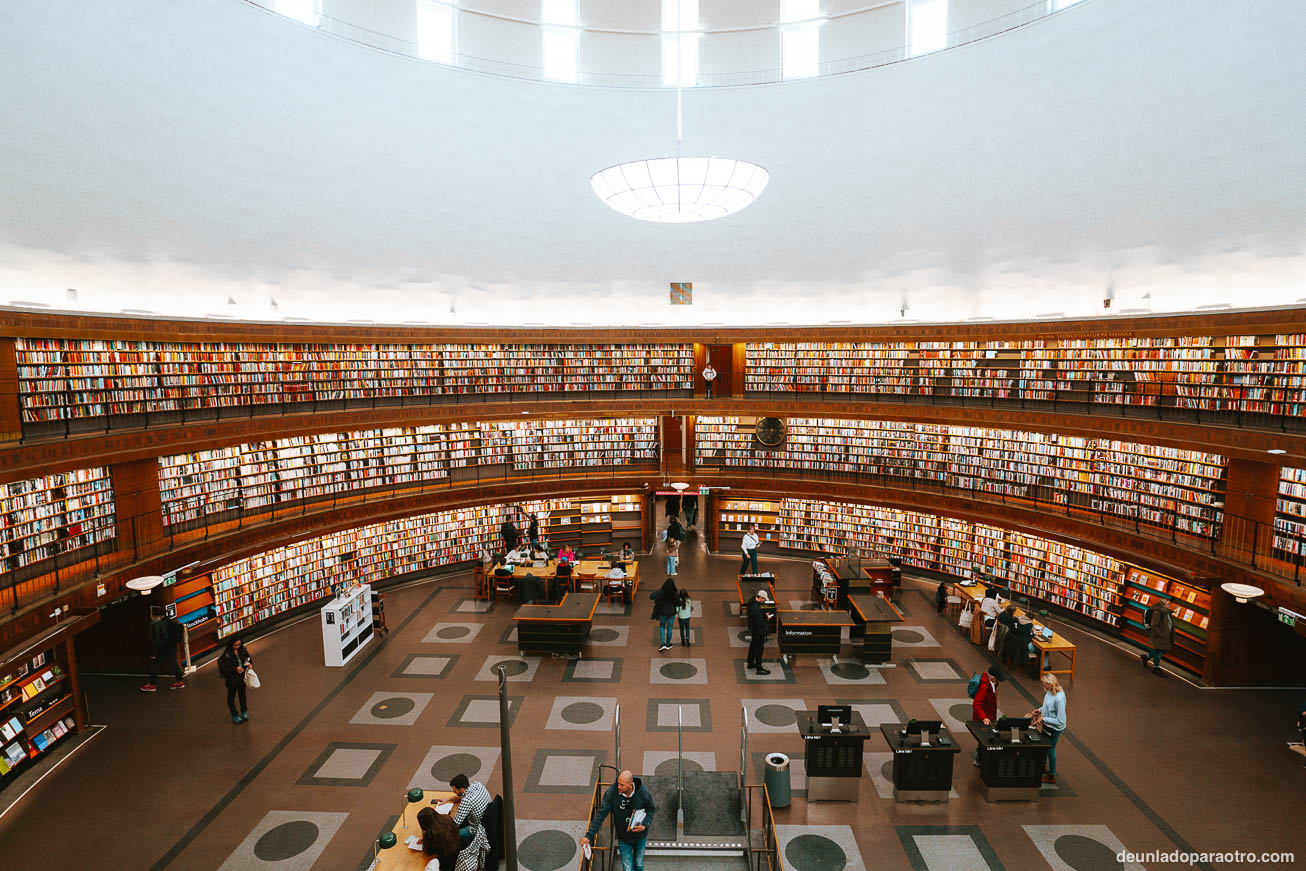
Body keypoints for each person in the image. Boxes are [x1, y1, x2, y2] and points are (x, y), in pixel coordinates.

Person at [579, 769, 656, 871]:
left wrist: (645, 825)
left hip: (640, 837)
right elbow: (600, 815)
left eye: (622, 785)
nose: (618, 787)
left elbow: (651, 809)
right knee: (627, 868)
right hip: (623, 838)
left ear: (630, 784)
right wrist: (588, 836)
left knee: (639, 864)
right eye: (618, 783)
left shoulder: (642, 792)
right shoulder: (612, 793)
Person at [1029, 673, 1067, 783]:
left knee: (1050, 749)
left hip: (1054, 728)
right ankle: (1042, 767)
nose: (1043, 687)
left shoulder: (1059, 699)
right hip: (1047, 724)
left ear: (1051, 684)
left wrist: (1043, 719)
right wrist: (1039, 710)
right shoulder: (1049, 692)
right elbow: (1047, 706)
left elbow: (1061, 720)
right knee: (1044, 746)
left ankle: (1052, 775)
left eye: (1045, 685)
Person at [140, 606, 185, 692]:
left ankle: (152, 685)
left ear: (153, 615)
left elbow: (156, 641)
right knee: (174, 664)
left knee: (155, 665)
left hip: (162, 648)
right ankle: (180, 682)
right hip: (172, 645)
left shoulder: (155, 625)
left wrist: (154, 653)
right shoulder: (168, 620)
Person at [450, 773, 491, 849]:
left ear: (461, 789)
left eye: (454, 790)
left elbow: (455, 825)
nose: (453, 792)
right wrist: (448, 799)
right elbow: (463, 795)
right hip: (486, 819)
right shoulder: (477, 784)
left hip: (475, 829)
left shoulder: (467, 801)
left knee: (450, 835)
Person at [971, 666, 1002, 765]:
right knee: (984, 737)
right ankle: (979, 758)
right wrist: (984, 717)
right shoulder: (984, 687)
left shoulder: (994, 682)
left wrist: (995, 700)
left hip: (990, 714)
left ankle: (982, 756)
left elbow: (993, 692)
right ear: (992, 678)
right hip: (984, 717)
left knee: (987, 736)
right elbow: (976, 704)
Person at [217, 637, 252, 724]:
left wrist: (249, 665)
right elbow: (223, 668)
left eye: (239, 644)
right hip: (232, 679)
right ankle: (235, 715)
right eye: (236, 645)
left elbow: (248, 659)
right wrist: (235, 669)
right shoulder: (226, 655)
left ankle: (244, 712)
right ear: (231, 644)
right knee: (231, 697)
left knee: (242, 695)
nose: (237, 646)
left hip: (242, 678)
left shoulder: (243, 650)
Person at [1141, 598, 1174, 675]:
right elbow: (1154, 625)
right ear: (1163, 605)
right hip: (1159, 636)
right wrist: (1161, 634)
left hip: (1165, 635)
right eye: (1168, 604)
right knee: (1159, 651)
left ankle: (1146, 657)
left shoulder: (1167, 612)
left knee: (1160, 650)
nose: (1170, 605)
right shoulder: (1158, 612)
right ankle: (1156, 668)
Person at [746, 588, 771, 675]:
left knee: (753, 646)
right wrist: (766, 618)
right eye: (763, 599)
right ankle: (759, 668)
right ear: (760, 597)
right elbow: (759, 622)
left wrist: (763, 615)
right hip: (758, 632)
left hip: (753, 630)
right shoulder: (756, 607)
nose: (763, 601)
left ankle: (750, 663)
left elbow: (757, 615)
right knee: (759, 649)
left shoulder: (752, 602)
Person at [651, 578, 679, 651]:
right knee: (670, 628)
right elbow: (678, 603)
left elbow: (652, 598)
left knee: (662, 627)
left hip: (662, 612)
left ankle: (662, 643)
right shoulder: (675, 593)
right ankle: (668, 644)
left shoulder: (661, 592)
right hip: (672, 613)